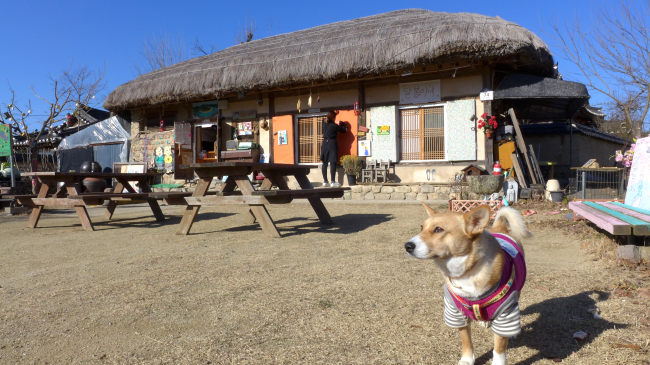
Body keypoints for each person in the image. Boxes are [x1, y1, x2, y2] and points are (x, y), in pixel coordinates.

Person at [320, 110, 347, 187]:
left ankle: (325, 181)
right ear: (334, 117)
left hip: (324, 143)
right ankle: (333, 182)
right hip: (332, 143)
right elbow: (343, 131)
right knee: (332, 162)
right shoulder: (335, 126)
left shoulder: (324, 125)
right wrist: (343, 124)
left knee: (324, 162)